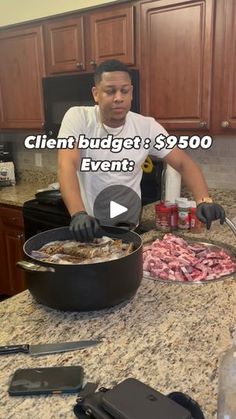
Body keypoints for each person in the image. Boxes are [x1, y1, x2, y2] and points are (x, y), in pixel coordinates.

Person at [58, 59, 225, 242]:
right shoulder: (78, 117)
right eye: (110, 91)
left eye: (124, 90)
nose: (118, 97)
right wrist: (78, 213)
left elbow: (184, 163)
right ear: (96, 94)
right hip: (89, 228)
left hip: (128, 230)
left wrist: (204, 200)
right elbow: (67, 164)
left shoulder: (146, 127)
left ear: (131, 93)